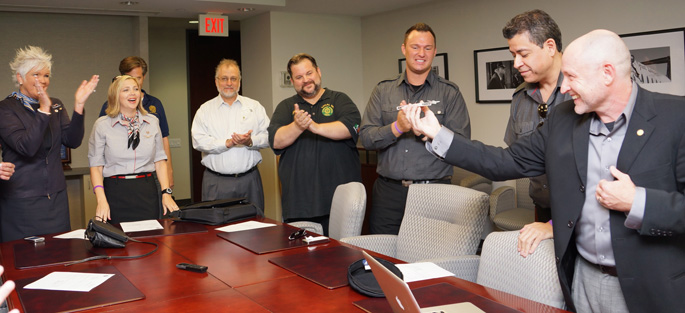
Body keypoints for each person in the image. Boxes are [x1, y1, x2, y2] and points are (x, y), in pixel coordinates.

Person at [403, 29, 685, 313]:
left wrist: (638, 202)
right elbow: (505, 161)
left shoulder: (676, 118)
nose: (564, 88)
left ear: (607, 74)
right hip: (581, 280)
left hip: (654, 287)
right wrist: (438, 133)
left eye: (573, 77)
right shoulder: (563, 120)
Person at [359, 23, 471, 235]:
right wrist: (397, 128)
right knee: (384, 257)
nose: (421, 53)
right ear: (404, 49)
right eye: (415, 47)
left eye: (427, 48)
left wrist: (429, 135)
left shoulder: (450, 93)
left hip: (434, 192)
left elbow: (461, 145)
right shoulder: (383, 90)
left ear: (435, 52)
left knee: (429, 261)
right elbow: (366, 138)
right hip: (388, 193)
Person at [0, 46, 99, 242]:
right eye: (36, 74)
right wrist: (44, 111)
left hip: (56, 199)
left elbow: (72, 141)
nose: (43, 80)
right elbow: (26, 147)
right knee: (23, 262)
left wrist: (79, 106)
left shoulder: (56, 104)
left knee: (59, 256)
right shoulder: (5, 109)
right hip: (21, 202)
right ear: (20, 77)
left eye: (46, 75)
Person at [268, 53, 361, 235]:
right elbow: (276, 141)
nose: (306, 80)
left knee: (341, 256)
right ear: (293, 81)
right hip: (300, 204)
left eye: (309, 73)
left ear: (318, 72)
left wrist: (315, 127)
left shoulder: (339, 99)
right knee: (301, 259)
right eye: (299, 77)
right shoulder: (286, 107)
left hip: (340, 202)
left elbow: (350, 128)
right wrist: (297, 126)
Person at [501, 9, 569, 256]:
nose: (516, 63)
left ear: (549, 46)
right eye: (513, 54)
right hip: (542, 207)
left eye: (523, 54)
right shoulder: (521, 96)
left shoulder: (581, 90)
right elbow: (515, 156)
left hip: (582, 213)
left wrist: (555, 226)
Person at [88, 75, 177, 223]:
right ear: (115, 95)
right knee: (118, 241)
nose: (133, 93)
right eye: (126, 90)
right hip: (115, 191)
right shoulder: (102, 125)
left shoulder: (152, 122)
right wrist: (101, 200)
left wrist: (166, 192)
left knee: (151, 239)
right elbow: (96, 166)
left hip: (146, 191)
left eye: (136, 89)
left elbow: (160, 161)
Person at [191, 59, 270, 210]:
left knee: (255, 229)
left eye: (233, 79)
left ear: (239, 82)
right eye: (224, 78)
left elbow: (269, 137)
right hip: (216, 182)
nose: (229, 83)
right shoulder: (205, 110)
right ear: (216, 82)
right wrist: (226, 143)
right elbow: (198, 141)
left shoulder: (255, 107)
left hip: (250, 181)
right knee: (215, 230)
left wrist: (250, 141)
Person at [98, 57, 175, 188]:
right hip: (119, 176)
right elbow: (100, 148)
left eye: (138, 78)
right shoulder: (109, 106)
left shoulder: (155, 104)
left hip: (152, 171)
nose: (134, 83)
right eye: (128, 77)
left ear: (144, 77)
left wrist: (169, 170)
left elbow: (164, 139)